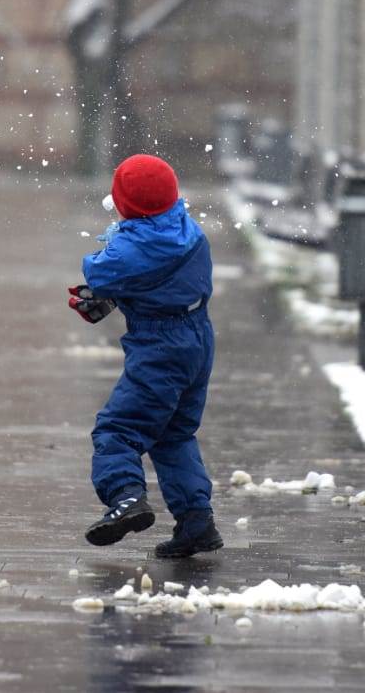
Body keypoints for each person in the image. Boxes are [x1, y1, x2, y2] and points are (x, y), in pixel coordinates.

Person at [70, 154, 224, 558]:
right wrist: (123, 296)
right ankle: (197, 522)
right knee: (174, 434)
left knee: (117, 430)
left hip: (160, 348)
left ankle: (125, 497)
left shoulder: (129, 249)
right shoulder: (190, 232)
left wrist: (110, 285)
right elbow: (158, 278)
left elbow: (99, 271)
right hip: (197, 338)